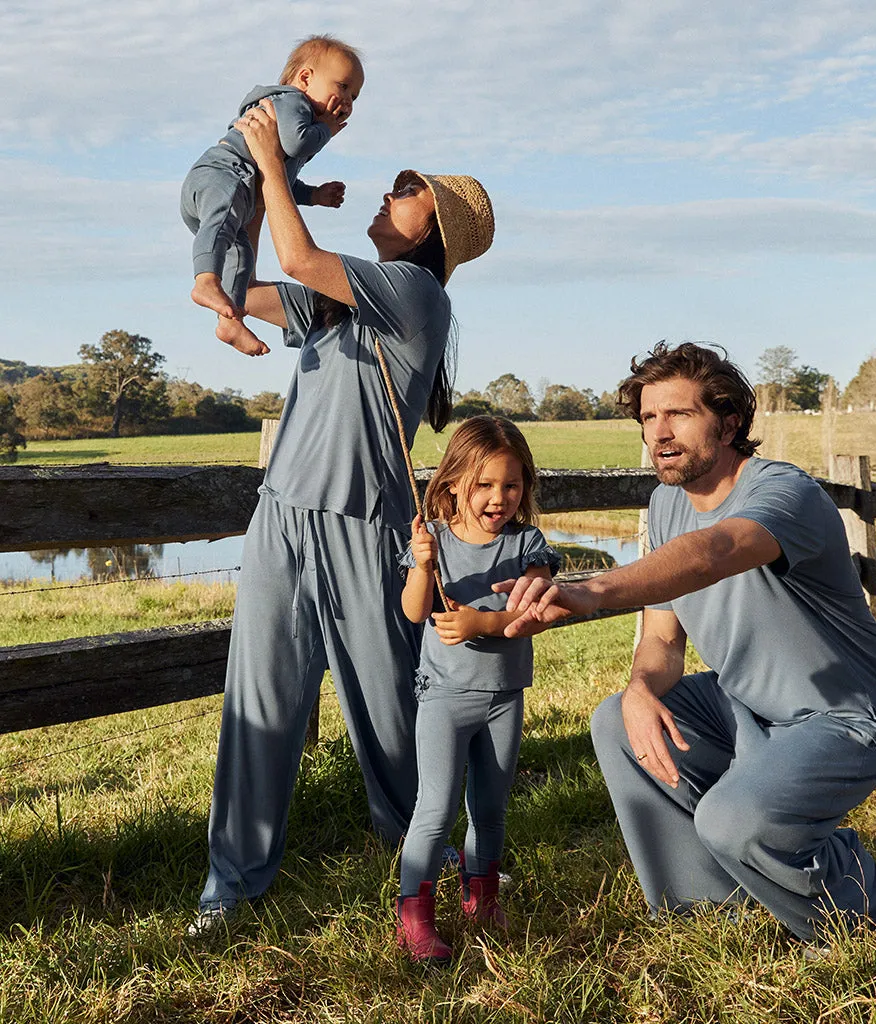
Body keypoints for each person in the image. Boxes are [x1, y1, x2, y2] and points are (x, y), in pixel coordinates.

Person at [187, 94, 495, 936]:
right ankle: (232, 885)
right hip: (283, 517)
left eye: (405, 188)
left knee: (390, 713)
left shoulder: (413, 294)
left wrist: (279, 168)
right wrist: (243, 191)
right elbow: (248, 286)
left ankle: (430, 864)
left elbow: (299, 251)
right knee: (260, 702)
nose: (386, 193)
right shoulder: (346, 299)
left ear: (433, 226)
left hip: (366, 527)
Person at [498, 342, 876, 952]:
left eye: (678, 415)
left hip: (846, 713)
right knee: (619, 718)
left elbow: (714, 554)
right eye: (647, 418)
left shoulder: (781, 492)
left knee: (731, 821)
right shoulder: (665, 503)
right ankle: (711, 911)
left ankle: (857, 916)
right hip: (743, 704)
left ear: (729, 422)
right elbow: (663, 638)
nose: (659, 433)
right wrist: (641, 687)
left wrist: (590, 590)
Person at [394, 417, 560, 963]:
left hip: (503, 698)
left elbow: (535, 616)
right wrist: (422, 566)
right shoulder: (434, 541)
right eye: (484, 484)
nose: (499, 498)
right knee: (434, 809)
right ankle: (414, 920)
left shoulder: (527, 543)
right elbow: (415, 610)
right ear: (451, 485)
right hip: (443, 699)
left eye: (511, 485)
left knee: (490, 808)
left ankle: (481, 900)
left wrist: (479, 625)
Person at [180, 34, 363, 357]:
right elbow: (297, 143)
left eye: (355, 96)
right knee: (224, 216)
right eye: (343, 86)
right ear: (305, 78)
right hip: (221, 175)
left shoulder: (298, 116)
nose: (347, 101)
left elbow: (279, 180)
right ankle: (206, 280)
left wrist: (315, 195)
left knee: (242, 256)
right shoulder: (292, 101)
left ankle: (230, 320)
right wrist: (327, 131)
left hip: (239, 192)